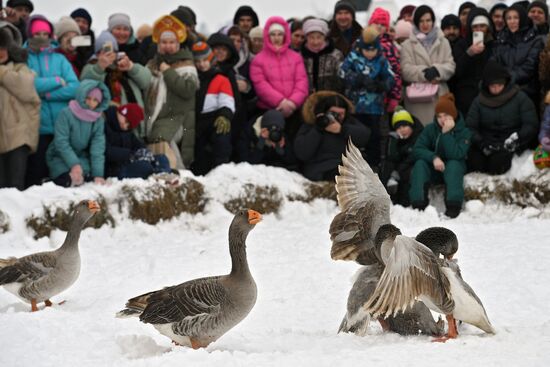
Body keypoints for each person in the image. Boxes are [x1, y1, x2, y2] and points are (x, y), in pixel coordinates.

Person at [25, 14, 79, 188]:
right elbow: (29, 85)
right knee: (36, 175)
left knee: (59, 174)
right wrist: (56, 81)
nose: (42, 37)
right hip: (36, 127)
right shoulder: (23, 57)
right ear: (29, 34)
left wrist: (47, 95)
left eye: (45, 33)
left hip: (60, 127)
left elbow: (74, 87)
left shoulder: (59, 59)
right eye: (37, 33)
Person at [144, 15, 198, 170]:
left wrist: (168, 72)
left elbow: (188, 90)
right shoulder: (152, 64)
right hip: (155, 117)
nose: (168, 46)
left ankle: (178, 172)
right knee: (155, 139)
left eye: (171, 42)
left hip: (178, 118)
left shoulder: (187, 65)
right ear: (158, 44)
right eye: (164, 42)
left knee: (160, 137)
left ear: (178, 44)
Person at [466, 60, 538, 175]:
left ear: (505, 83)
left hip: (509, 143)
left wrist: (518, 138)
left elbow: (531, 124)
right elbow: (470, 126)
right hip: (486, 143)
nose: (496, 89)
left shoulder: (520, 98)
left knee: (497, 165)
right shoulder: (478, 101)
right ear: (486, 85)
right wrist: (481, 143)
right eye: (493, 86)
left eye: (499, 85)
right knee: (475, 163)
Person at [339, 25, 394, 168]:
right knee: (355, 137)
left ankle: (374, 166)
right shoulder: (353, 57)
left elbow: (391, 78)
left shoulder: (381, 60)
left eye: (373, 50)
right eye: (366, 50)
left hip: (375, 108)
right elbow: (342, 73)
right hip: (355, 107)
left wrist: (379, 85)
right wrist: (357, 79)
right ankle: (354, 166)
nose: (370, 53)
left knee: (374, 138)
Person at [409, 93, 471, 218]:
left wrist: (446, 134)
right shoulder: (430, 129)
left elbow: (457, 154)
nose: (442, 120)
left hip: (453, 170)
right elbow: (417, 149)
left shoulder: (464, 131)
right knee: (420, 164)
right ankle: (418, 205)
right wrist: (434, 158)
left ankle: (453, 206)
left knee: (454, 164)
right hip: (435, 169)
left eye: (446, 116)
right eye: (439, 116)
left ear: (453, 115)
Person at [80, 31, 152, 139]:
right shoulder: (91, 67)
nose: (108, 55)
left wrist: (131, 67)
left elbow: (146, 81)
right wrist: (100, 67)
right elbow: (86, 85)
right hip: (108, 128)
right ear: (97, 53)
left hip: (134, 126)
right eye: (104, 51)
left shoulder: (123, 66)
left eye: (112, 51)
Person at [249, 16, 308, 141]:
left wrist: (292, 103)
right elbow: (260, 85)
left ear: (285, 35)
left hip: (294, 109)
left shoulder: (295, 57)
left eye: (280, 34)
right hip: (269, 110)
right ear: (267, 36)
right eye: (273, 34)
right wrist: (280, 102)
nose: (276, 37)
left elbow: (302, 82)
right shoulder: (258, 59)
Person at [294, 91, 370, 181]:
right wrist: (319, 128)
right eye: (333, 113)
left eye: (341, 114)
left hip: (346, 167)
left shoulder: (349, 122)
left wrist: (342, 130)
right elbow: (302, 153)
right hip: (319, 171)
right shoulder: (311, 125)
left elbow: (364, 135)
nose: (337, 117)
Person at [46, 80, 110, 187]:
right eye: (88, 98)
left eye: (95, 100)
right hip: (59, 156)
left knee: (87, 181)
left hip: (81, 157)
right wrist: (74, 164)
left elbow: (97, 148)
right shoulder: (66, 113)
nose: (91, 103)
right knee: (66, 181)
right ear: (82, 96)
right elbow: (61, 142)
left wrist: (98, 174)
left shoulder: (98, 120)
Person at [401, 5, 456, 126]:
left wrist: (437, 70)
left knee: (441, 136)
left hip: (440, 97)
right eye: (421, 21)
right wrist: (425, 72)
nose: (425, 24)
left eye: (428, 20)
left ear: (433, 21)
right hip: (417, 100)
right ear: (416, 22)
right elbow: (405, 70)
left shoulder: (443, 41)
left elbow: (451, 65)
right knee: (421, 136)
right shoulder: (407, 45)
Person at [0, 26, 40, 190]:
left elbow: (25, 88)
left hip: (18, 134)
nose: (0, 52)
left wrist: (1, 72)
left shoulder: (20, 69)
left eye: (3, 47)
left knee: (16, 186)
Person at [190, 41, 234, 175]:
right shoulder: (192, 79)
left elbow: (227, 100)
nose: (201, 64)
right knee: (199, 154)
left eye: (205, 60)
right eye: (197, 61)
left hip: (215, 118)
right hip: (196, 121)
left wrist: (225, 115)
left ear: (211, 60)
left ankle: (222, 171)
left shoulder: (221, 79)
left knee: (221, 139)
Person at [491, 3, 544, 109]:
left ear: (523, 18)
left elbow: (529, 67)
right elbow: (494, 63)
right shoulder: (501, 40)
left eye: (516, 17)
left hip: (527, 92)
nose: (512, 21)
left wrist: (508, 78)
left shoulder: (535, 40)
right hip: (503, 89)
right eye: (509, 18)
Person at [104, 103, 170, 179]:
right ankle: (158, 173)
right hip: (114, 169)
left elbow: (138, 144)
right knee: (144, 167)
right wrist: (131, 155)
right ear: (122, 112)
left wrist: (144, 152)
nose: (125, 126)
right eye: (126, 120)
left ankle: (163, 173)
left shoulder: (127, 132)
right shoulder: (105, 124)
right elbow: (106, 151)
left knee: (162, 158)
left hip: (127, 163)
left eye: (129, 126)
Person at [452, 8, 495, 117]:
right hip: (466, 97)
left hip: (489, 94)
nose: (479, 29)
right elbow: (457, 72)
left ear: (488, 27)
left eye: (482, 26)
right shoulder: (461, 44)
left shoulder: (495, 45)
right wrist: (468, 54)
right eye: (475, 26)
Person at [379, 107, 423, 207]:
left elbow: (414, 155)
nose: (402, 130)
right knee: (387, 167)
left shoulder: (419, 136)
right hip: (399, 167)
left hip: (410, 166)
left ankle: (403, 203)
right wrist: (393, 142)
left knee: (407, 174)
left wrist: (398, 171)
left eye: (404, 126)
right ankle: (385, 199)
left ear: (411, 125)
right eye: (398, 128)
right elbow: (390, 156)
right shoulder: (395, 138)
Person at [300, 18, 343, 94]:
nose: (315, 42)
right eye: (311, 37)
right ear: (306, 38)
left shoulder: (335, 55)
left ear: (325, 37)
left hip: (331, 99)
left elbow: (341, 80)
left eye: (319, 37)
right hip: (306, 100)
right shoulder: (300, 57)